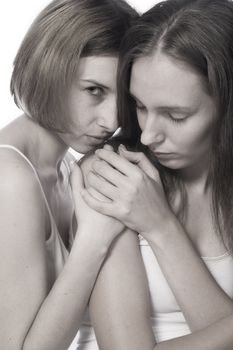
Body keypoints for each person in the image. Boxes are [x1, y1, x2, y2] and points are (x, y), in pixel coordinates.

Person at [80, 0, 233, 349]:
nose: (148, 135)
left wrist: (161, 226)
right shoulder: (113, 173)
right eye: (139, 105)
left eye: (176, 116)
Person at [0, 0, 138, 349]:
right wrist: (94, 240)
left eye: (122, 99)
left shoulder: (61, 167)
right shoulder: (11, 178)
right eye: (94, 90)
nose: (111, 120)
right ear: (49, 69)